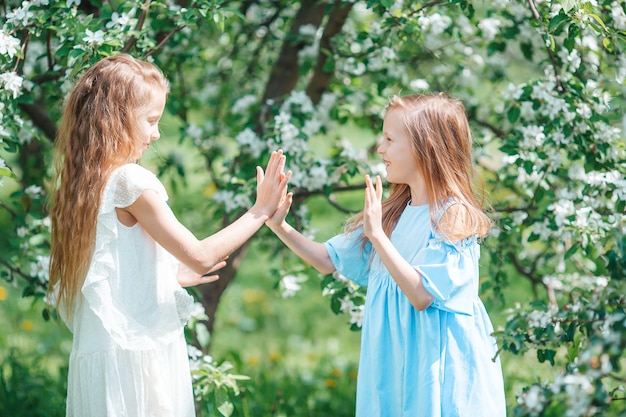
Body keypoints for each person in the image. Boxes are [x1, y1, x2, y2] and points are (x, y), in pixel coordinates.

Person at [47, 54, 290, 417]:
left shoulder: (83, 186)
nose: (157, 133)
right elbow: (200, 255)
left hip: (103, 353)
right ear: (118, 120)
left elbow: (112, 269)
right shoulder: (131, 182)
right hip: (137, 357)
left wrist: (167, 276)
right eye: (151, 121)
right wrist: (260, 211)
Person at [266, 93, 506, 416]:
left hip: (436, 375)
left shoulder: (452, 217)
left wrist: (377, 236)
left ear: (425, 148)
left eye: (390, 139)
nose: (380, 148)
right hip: (393, 368)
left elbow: (421, 294)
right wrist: (278, 225)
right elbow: (326, 259)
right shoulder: (394, 214)